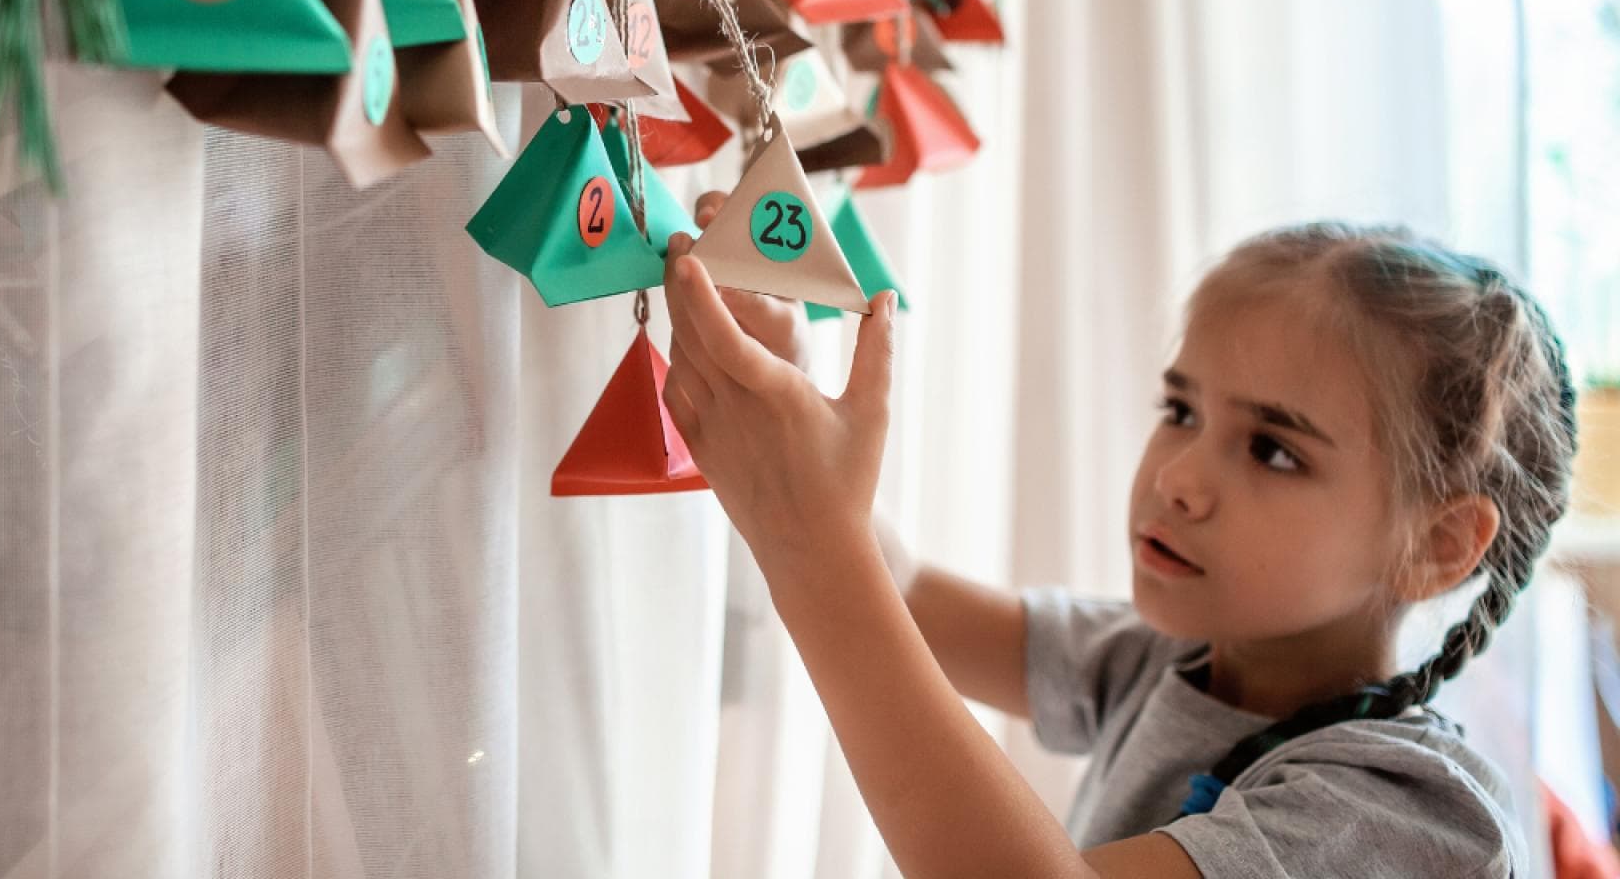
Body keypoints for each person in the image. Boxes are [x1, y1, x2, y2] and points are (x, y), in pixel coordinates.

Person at [661, 205, 1579, 878]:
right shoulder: (1164, 663)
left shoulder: (1408, 813)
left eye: (1272, 449)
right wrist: (792, 395)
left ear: (1439, 545)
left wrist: (814, 541)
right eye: (1181, 410)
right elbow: (911, 605)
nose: (1178, 474)